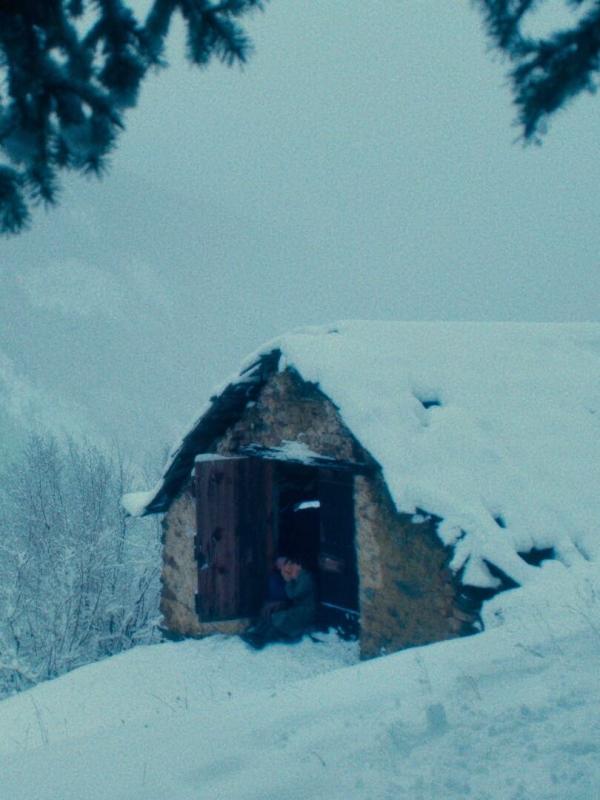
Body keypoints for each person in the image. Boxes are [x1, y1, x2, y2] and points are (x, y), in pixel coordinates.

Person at [242, 556, 317, 649]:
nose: (290, 568)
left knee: (278, 618)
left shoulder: (305, 577)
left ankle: (261, 640)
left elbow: (293, 594)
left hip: (304, 612)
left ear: (299, 566)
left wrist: (288, 580)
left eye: (292, 565)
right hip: (297, 609)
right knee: (273, 617)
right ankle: (256, 634)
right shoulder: (298, 577)